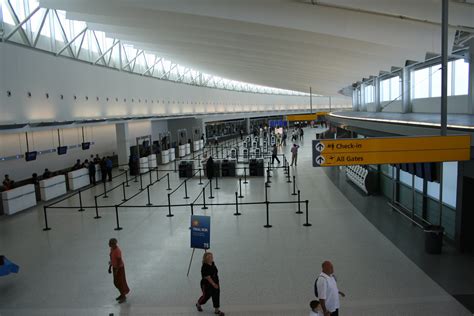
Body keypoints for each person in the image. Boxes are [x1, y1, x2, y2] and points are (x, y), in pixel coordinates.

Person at [108, 238, 130, 303]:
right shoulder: (112, 249)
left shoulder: (117, 251)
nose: (108, 244)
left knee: (119, 282)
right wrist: (110, 267)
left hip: (119, 268)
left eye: (110, 243)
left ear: (114, 244)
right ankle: (122, 294)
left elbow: (119, 261)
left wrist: (117, 269)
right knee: (116, 282)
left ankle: (123, 296)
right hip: (115, 268)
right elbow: (112, 259)